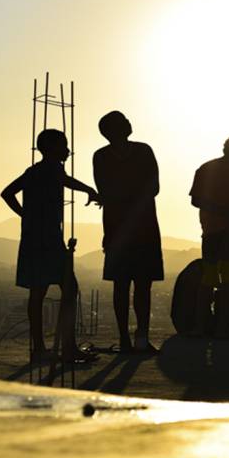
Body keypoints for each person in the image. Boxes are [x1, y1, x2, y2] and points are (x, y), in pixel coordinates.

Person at [0, 129, 99, 362]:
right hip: (49, 239)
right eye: (64, 145)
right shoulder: (52, 169)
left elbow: (7, 193)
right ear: (53, 148)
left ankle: (39, 349)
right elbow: (66, 181)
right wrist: (89, 189)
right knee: (69, 288)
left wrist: (26, 216)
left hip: (33, 237)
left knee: (38, 292)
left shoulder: (33, 171)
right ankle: (68, 347)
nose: (68, 150)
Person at [93, 111, 163, 353]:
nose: (130, 123)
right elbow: (149, 187)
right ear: (114, 130)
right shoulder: (113, 155)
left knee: (136, 284)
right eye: (124, 122)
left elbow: (152, 187)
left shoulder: (137, 151)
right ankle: (128, 338)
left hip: (128, 225)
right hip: (130, 226)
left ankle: (137, 338)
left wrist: (121, 197)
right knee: (126, 285)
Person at [189, 135, 229, 339]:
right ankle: (222, 327)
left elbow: (196, 200)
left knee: (208, 279)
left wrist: (216, 210)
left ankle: (201, 326)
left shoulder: (206, 169)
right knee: (228, 281)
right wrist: (225, 214)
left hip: (212, 231)